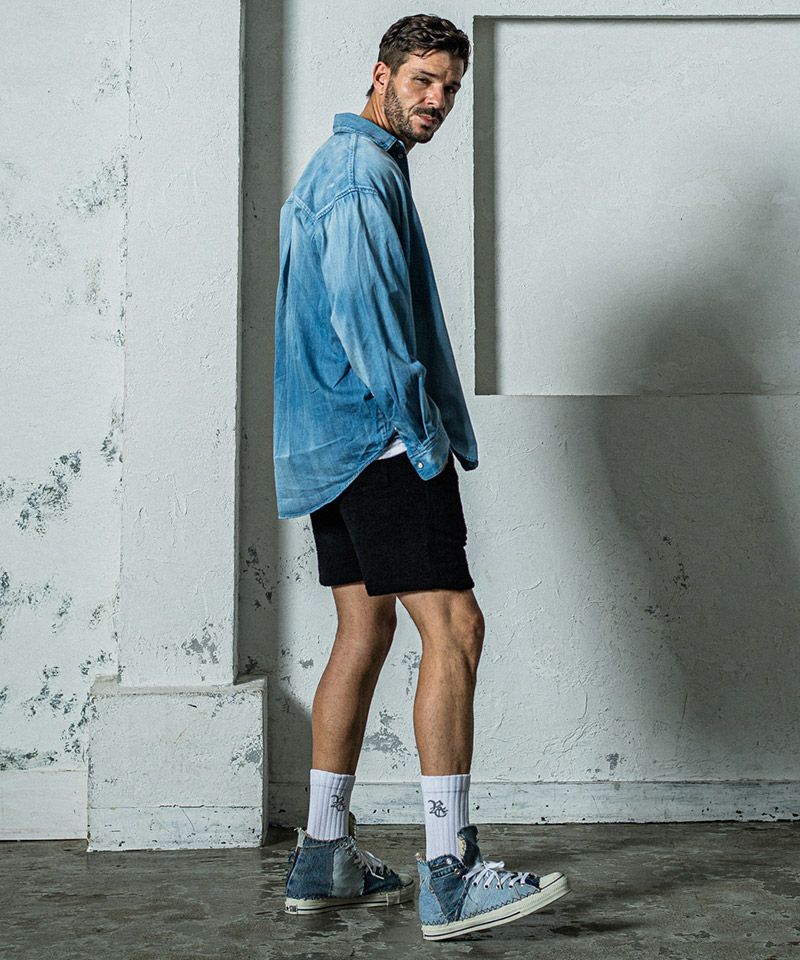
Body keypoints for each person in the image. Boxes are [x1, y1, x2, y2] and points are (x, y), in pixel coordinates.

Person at [273, 13, 570, 941]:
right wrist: (423, 439)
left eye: (450, 87)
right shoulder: (361, 178)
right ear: (381, 75)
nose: (437, 101)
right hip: (379, 441)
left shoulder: (342, 166)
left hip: (328, 443)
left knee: (363, 629)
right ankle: (450, 872)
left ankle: (325, 855)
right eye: (422, 81)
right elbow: (367, 323)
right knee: (456, 628)